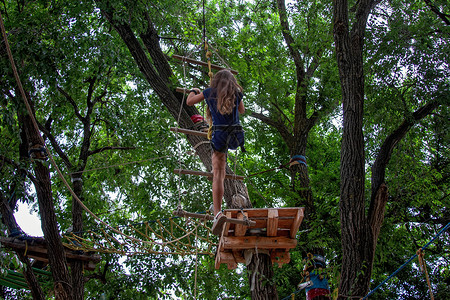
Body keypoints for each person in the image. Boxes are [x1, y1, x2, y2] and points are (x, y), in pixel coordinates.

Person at [186, 69, 245, 235]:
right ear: (231, 82)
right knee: (222, 173)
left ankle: (217, 212)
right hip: (235, 136)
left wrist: (194, 91)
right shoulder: (237, 93)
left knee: (218, 174)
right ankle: (218, 210)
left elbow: (190, 102)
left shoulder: (209, 92)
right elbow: (242, 111)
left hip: (219, 135)